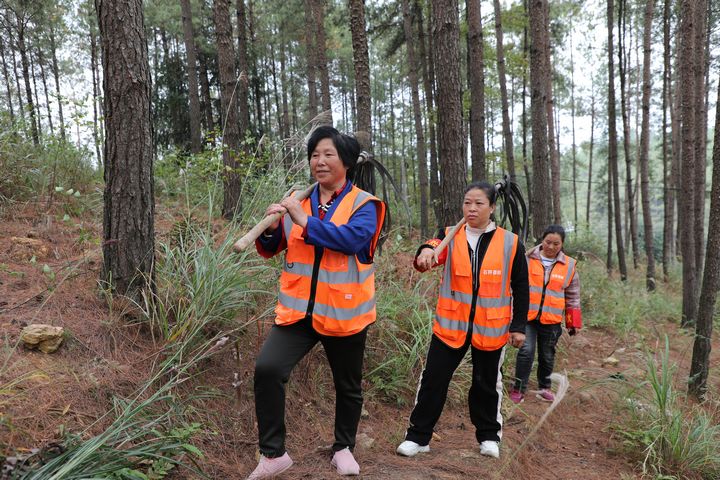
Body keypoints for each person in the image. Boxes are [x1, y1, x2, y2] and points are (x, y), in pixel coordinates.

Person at [247, 126, 386, 479]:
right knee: (268, 369)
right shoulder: (299, 198)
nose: (319, 161)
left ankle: (343, 448)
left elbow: (351, 240)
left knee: (347, 385)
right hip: (298, 311)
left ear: (347, 162)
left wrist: (303, 219)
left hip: (344, 312)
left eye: (328, 155)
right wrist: (269, 226)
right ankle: (274, 454)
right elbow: (274, 246)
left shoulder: (365, 205)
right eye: (314, 155)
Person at [396, 181, 529, 460]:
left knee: (486, 383)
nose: (471, 208)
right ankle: (418, 437)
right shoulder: (449, 235)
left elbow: (521, 286)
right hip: (450, 325)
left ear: (492, 208)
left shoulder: (510, 242)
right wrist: (424, 253)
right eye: (467, 202)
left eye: (479, 203)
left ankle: (489, 437)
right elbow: (430, 251)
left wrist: (518, 326)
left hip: (490, 326)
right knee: (433, 379)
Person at [510, 224, 582, 404]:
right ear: (542, 240)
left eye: (556, 244)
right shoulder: (526, 258)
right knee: (526, 351)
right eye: (548, 242)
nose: (551, 247)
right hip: (526, 316)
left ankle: (545, 388)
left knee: (547, 354)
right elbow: (514, 287)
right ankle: (518, 389)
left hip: (551, 320)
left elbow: (573, 297)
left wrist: (573, 323)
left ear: (562, 244)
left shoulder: (569, 266)